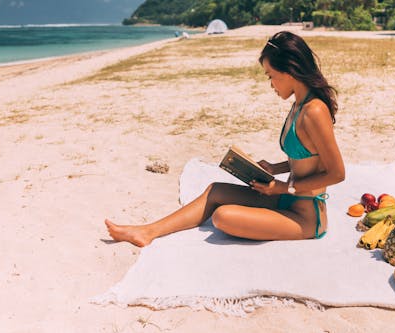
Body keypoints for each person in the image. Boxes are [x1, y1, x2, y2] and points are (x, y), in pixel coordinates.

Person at [104, 31, 345, 247]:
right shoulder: (298, 105)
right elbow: (307, 159)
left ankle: (148, 232)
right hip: (286, 199)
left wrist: (284, 187)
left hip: (305, 217)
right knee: (215, 191)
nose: (270, 83)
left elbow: (336, 173)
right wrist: (275, 168)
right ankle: (148, 231)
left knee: (223, 216)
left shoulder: (314, 111)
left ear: (289, 71)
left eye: (270, 75)